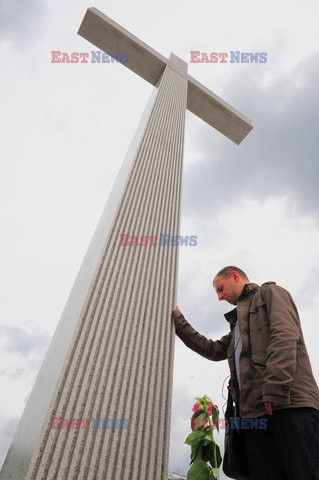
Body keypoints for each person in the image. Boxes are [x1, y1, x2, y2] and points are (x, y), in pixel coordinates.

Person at [172, 266, 319, 480]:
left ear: (235, 276)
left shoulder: (270, 293)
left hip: (289, 405)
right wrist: (178, 320)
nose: (220, 297)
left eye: (220, 289)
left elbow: (285, 335)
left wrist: (274, 388)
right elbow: (212, 349)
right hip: (253, 417)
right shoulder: (237, 326)